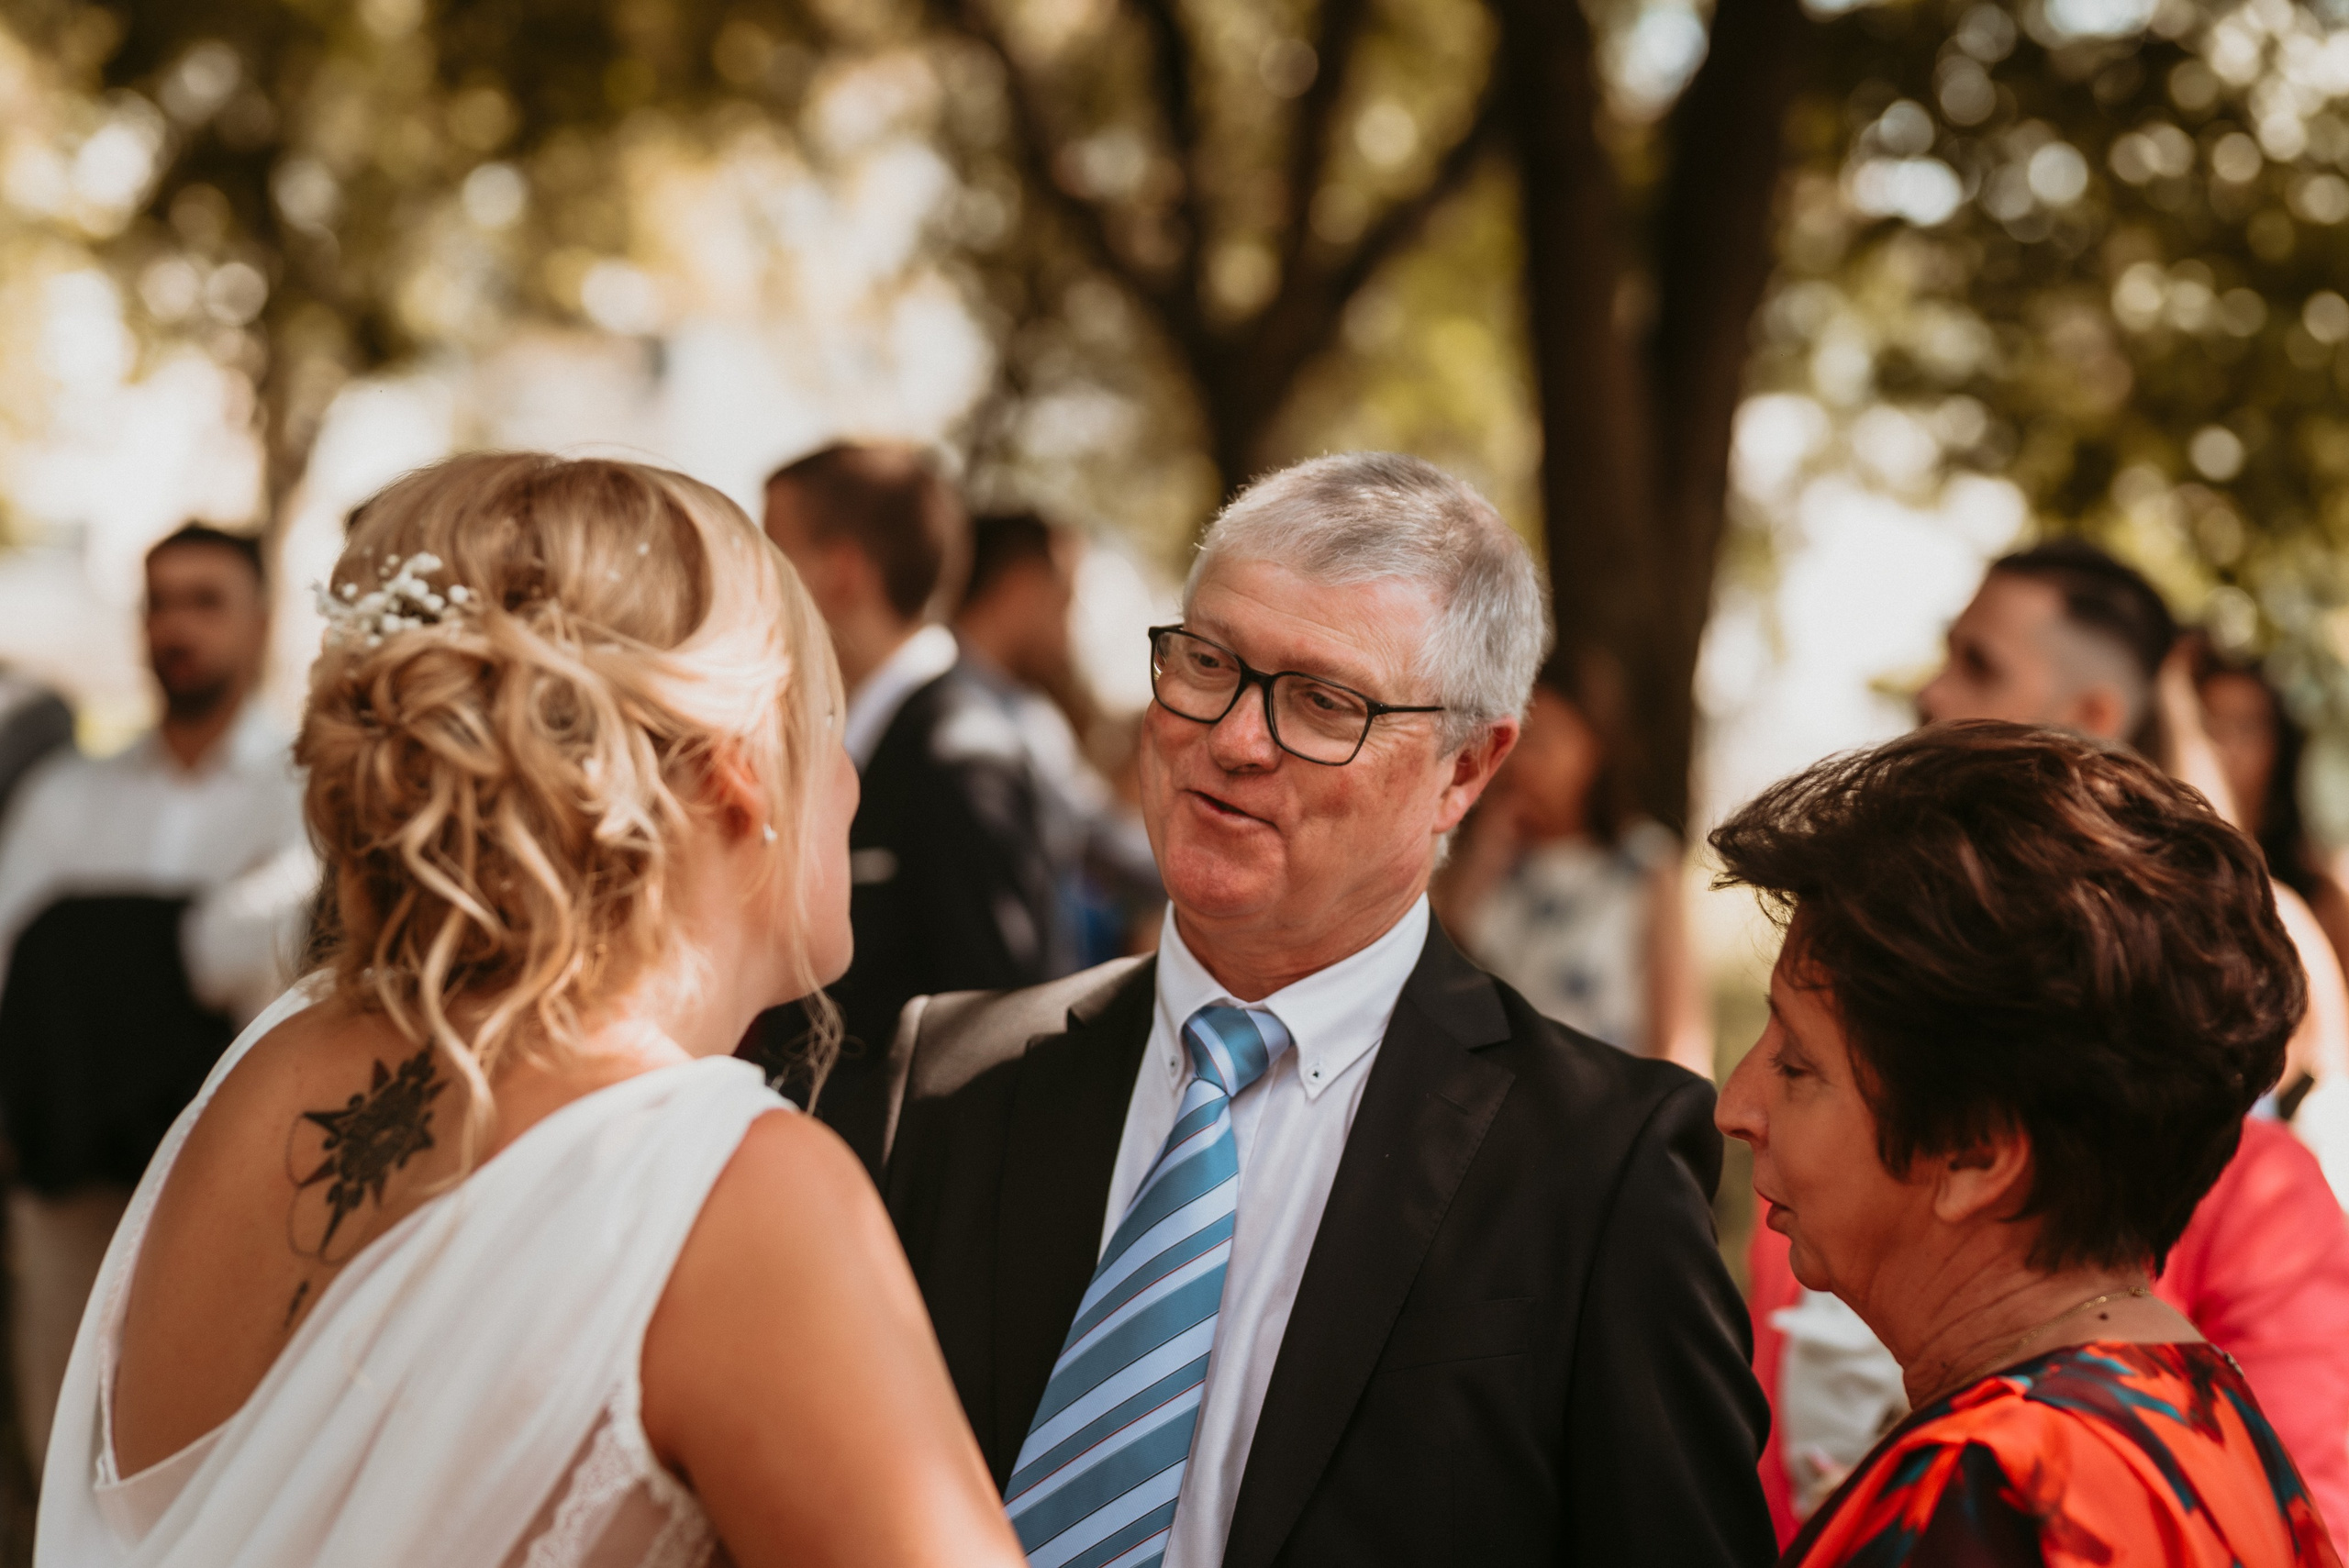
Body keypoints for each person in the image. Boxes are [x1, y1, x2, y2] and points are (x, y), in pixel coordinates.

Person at [34, 454, 1025, 1568]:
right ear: (740, 768)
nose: (846, 776)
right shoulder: (731, 1192)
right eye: (826, 715)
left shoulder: (271, 1052)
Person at [874, 453, 1776, 1568]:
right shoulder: (946, 1076)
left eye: (1323, 701)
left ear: (1465, 769)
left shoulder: (1599, 1165)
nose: (1236, 738)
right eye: (1207, 661)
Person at [1733, 537, 2349, 1541]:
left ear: (1979, 1147)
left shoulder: (1991, 1489)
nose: (1732, 1103)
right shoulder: (2205, 1420)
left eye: (1799, 1065)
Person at [0, 524, 312, 1468]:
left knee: (214, 1446)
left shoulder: (305, 790)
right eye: (159, 602)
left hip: (234, 1172)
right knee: (62, 1429)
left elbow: (268, 957)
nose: (177, 626)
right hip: (69, 1174)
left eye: (205, 600)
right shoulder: (66, 797)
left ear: (260, 622)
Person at [751, 444, 1057, 1173]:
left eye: (772, 555)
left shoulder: (961, 753)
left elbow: (1004, 1023)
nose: (755, 587)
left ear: (841, 571)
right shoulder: (855, 733)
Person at [1435, 654, 1712, 1075]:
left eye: (1545, 741)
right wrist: (1484, 854)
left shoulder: (1643, 863)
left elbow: (1679, 1032)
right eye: (1516, 743)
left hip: (1606, 1116)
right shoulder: (1474, 860)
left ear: (1596, 747)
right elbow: (1434, 966)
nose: (1526, 763)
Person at [953, 508, 1163, 972]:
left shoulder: (1032, 715)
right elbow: (1098, 833)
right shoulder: (963, 717)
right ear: (1020, 587)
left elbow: (1095, 828)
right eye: (1065, 600)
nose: (1070, 628)